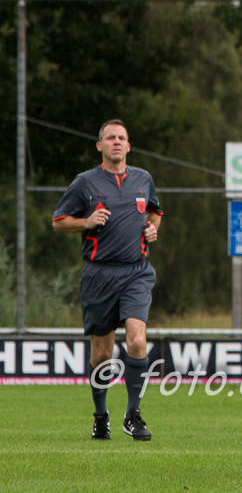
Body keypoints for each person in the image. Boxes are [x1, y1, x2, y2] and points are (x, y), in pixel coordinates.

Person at [52, 119, 163, 441]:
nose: (116, 142)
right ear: (99, 145)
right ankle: (101, 416)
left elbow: (154, 212)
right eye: (110, 137)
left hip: (136, 272)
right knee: (102, 354)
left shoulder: (143, 179)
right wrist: (86, 222)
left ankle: (133, 414)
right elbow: (59, 222)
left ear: (129, 146)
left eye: (121, 138)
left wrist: (152, 229)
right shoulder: (85, 182)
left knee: (137, 340)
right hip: (99, 275)